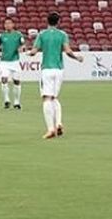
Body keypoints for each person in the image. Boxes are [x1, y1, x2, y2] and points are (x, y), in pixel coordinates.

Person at [28, 12, 84, 140]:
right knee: (54, 97)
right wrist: (77, 57)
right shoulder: (63, 35)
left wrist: (29, 53)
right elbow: (68, 51)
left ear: (47, 21)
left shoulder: (42, 34)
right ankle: (58, 122)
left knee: (46, 99)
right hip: (59, 70)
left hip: (47, 69)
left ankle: (50, 129)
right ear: (58, 22)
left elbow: (34, 51)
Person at [0, 18, 25, 110]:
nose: (7, 25)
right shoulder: (1, 35)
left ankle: (17, 102)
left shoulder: (18, 35)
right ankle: (6, 100)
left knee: (16, 81)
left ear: (13, 24)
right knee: (4, 79)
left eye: (9, 23)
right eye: (6, 23)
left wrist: (21, 48)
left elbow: (23, 45)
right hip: (4, 61)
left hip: (15, 61)